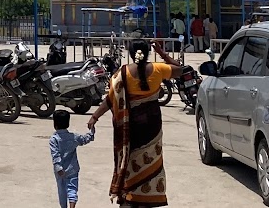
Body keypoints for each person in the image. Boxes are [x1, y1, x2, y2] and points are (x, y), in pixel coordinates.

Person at [88, 39, 181, 206]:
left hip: (132, 125)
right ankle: (148, 197)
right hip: (152, 124)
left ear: (131, 54)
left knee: (131, 159)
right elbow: (179, 69)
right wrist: (162, 53)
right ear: (148, 53)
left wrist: (95, 116)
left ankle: (130, 195)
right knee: (152, 158)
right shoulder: (158, 69)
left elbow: (110, 99)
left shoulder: (121, 74)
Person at [50, 107, 96, 208]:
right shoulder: (74, 137)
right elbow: (85, 139)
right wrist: (92, 131)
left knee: (62, 190)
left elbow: (55, 154)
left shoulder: (54, 139)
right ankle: (72, 206)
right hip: (73, 168)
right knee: (72, 188)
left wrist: (58, 167)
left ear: (55, 124)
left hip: (60, 170)